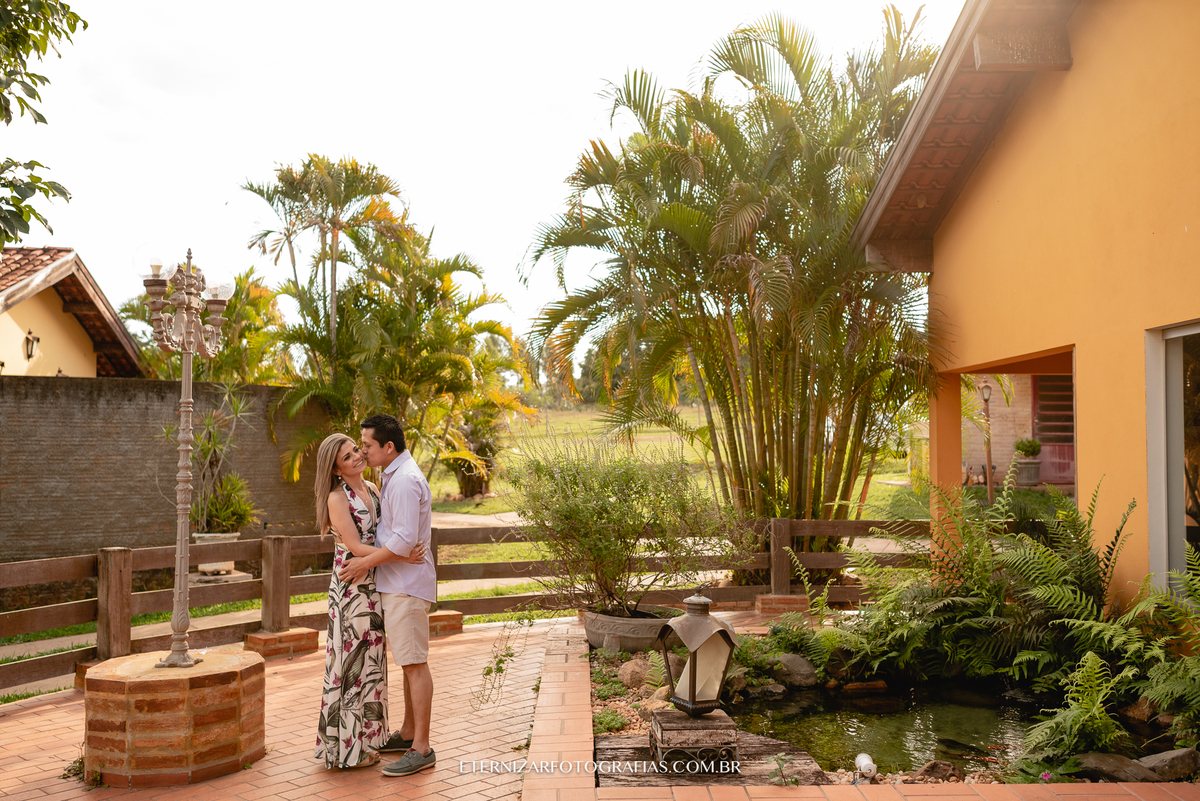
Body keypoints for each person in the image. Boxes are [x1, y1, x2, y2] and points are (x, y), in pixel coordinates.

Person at [312, 432, 425, 769]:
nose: (357, 457)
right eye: (347, 457)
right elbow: (356, 548)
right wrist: (402, 557)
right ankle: (348, 749)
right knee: (352, 664)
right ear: (335, 469)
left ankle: (368, 741)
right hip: (351, 589)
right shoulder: (336, 498)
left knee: (372, 665)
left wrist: (395, 555)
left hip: (374, 583)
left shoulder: (373, 488)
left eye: (355, 450)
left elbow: (383, 535)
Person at [339, 414, 438, 778]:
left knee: (414, 664)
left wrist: (365, 565)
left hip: (405, 585)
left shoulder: (404, 481)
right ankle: (409, 732)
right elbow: (395, 538)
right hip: (397, 581)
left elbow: (403, 540)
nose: (363, 450)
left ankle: (422, 747)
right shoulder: (393, 477)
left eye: (367, 445)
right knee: (408, 663)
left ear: (388, 447)